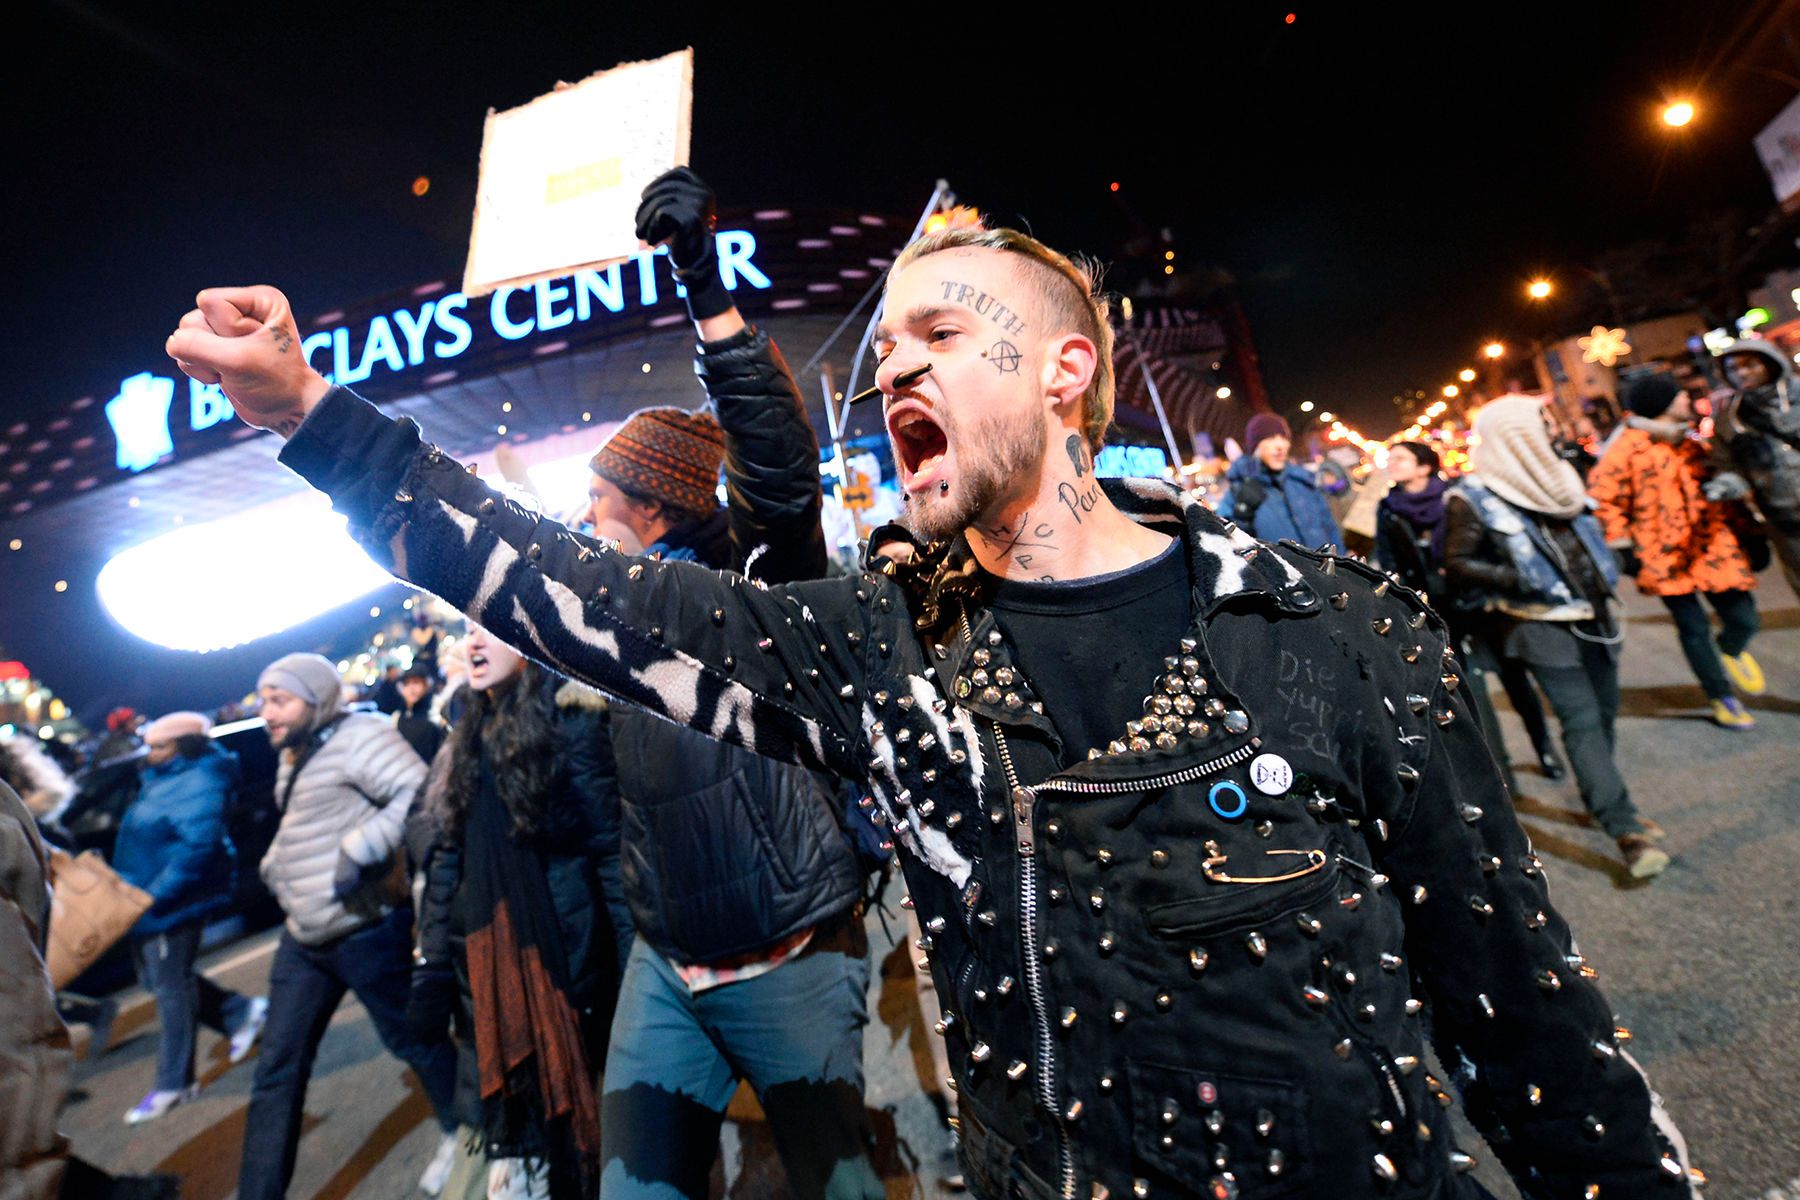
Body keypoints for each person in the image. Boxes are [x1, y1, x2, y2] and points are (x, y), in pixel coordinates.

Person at [170, 223, 1696, 1199]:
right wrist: (310, 416)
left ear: (1066, 369)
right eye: (884, 349)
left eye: (941, 338)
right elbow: (582, 598)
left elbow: (1537, 1031)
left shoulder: (1341, 633)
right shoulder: (874, 653)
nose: (894, 362)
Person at [568, 169, 884, 1200]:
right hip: (665, 970)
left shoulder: (761, 583)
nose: (584, 520)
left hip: (787, 960)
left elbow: (780, 467)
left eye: (599, 499)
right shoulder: (604, 613)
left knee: (837, 1187)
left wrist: (703, 281)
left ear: (654, 510)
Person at [406, 624, 622, 1200]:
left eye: (490, 629)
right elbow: (448, 855)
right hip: (481, 967)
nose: (474, 644)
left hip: (563, 966)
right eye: (467, 632)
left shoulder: (570, 720)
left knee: (578, 1137)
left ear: (528, 638)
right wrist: (431, 961)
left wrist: (630, 966)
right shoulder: (467, 729)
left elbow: (608, 852)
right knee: (513, 1143)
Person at [240, 652, 458, 1200]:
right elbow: (302, 819)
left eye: (279, 700)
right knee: (276, 1071)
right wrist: (275, 867)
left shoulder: (361, 735)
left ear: (316, 699)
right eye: (264, 700)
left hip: (364, 929)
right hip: (303, 936)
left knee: (415, 1042)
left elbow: (420, 790)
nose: (267, 711)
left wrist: (360, 848)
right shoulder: (297, 747)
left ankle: (464, 1133)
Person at [1444, 396, 1671, 879]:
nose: (1551, 428)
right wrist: (1517, 577)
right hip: (1538, 625)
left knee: (1605, 711)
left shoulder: (1561, 476)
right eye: (1541, 422)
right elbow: (1457, 565)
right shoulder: (1474, 495)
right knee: (1582, 719)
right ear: (1516, 434)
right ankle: (1625, 829)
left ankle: (1602, 798)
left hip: (1595, 614)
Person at [111, 711, 268, 1123]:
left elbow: (197, 847)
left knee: (169, 988)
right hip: (145, 895)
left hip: (171, 900)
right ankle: (239, 1012)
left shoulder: (201, 778)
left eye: (160, 746)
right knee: (158, 979)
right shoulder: (162, 776)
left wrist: (156, 894)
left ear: (186, 746)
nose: (150, 754)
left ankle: (173, 1083)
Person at [1377, 442, 1562, 784]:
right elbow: (1388, 561)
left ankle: (1544, 748)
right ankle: (1501, 773)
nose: (1392, 464)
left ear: (1424, 467)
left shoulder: (1457, 499)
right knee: (1470, 692)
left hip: (1481, 604)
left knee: (1516, 680)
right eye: (1391, 458)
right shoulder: (1388, 509)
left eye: (1401, 458)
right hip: (1439, 613)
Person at [1590, 375, 1761, 729]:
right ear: (1663, 404)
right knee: (1693, 629)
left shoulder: (1690, 441)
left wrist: (1748, 532)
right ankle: (1720, 696)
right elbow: (1604, 501)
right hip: (1663, 555)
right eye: (1681, 395)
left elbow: (1715, 487)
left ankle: (1730, 648)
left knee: (1745, 617)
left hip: (1711, 545)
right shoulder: (1626, 449)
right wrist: (1626, 551)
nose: (1688, 400)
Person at [1712, 339, 1800, 597]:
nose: (1741, 373)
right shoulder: (1731, 418)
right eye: (1732, 368)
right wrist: (1728, 484)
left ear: (1770, 364)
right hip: (1784, 518)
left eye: (1749, 365)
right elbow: (1726, 464)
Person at [1216, 411, 1344, 549]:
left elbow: (1330, 528)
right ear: (1255, 446)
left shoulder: (1302, 481)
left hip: (1322, 569)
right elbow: (1225, 546)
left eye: (1283, 437)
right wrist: (1242, 516)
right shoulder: (1237, 491)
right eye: (1270, 438)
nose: (1280, 445)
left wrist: (1342, 565)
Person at [394, 665, 444, 764]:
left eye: (416, 682)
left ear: (426, 685)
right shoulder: (397, 716)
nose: (411, 688)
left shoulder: (437, 710)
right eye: (407, 684)